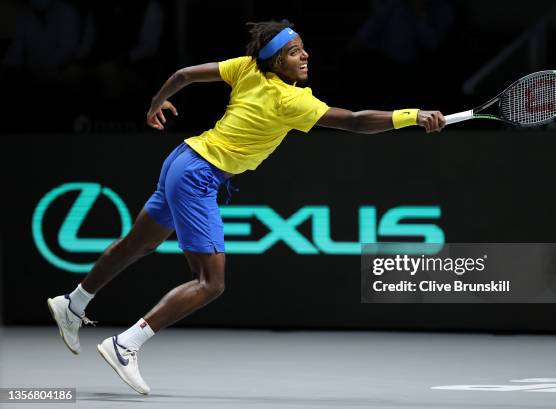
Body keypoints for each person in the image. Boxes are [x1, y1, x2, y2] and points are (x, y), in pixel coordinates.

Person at [47, 19, 446, 395]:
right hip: (198, 176)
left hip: (181, 159)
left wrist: (156, 103)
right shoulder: (291, 101)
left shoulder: (245, 69)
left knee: (138, 244)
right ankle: (125, 345)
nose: (304, 56)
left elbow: (183, 76)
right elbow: (356, 122)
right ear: (276, 60)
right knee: (211, 283)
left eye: (304, 49)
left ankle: (73, 303)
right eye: (294, 52)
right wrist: (413, 116)